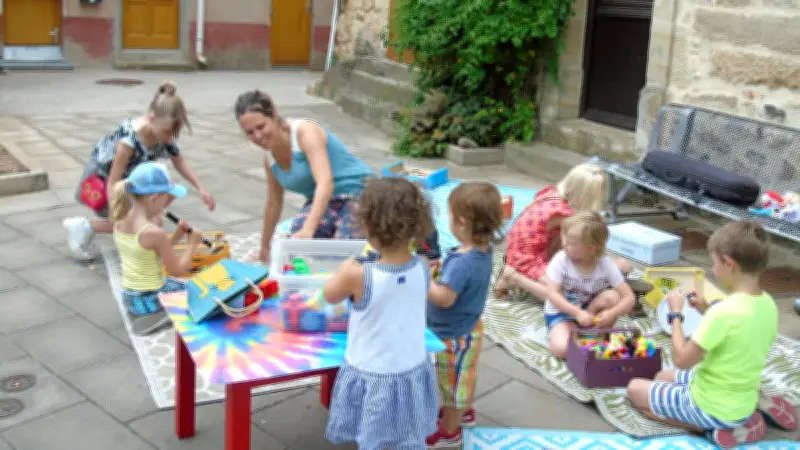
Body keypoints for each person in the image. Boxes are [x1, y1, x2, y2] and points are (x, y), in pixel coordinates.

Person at [627, 221, 797, 448]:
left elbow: (682, 360)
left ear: (729, 263)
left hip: (710, 405)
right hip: (741, 397)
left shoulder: (723, 312)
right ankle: (750, 410)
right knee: (660, 377)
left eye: (714, 263)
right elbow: (736, 329)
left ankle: (711, 429)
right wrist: (705, 309)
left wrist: (675, 315)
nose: (713, 270)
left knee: (634, 390)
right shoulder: (767, 303)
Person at [322, 177, 439, 450]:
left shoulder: (357, 273)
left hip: (374, 371)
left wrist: (345, 267)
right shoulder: (422, 266)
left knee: (373, 438)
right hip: (411, 367)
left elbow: (329, 295)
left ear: (368, 224)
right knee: (409, 435)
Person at [63, 82, 215, 261]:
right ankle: (85, 227)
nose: (168, 138)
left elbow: (179, 161)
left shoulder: (162, 133)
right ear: (151, 117)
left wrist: (201, 188)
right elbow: (113, 180)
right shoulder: (129, 141)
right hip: (104, 179)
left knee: (148, 215)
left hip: (133, 177)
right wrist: (117, 210)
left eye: (172, 133)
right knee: (133, 221)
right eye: (166, 132)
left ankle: (140, 234)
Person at [234, 90, 375, 262]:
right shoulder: (269, 159)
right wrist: (265, 246)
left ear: (274, 115)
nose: (257, 136)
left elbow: (325, 182)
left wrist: (310, 227)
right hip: (327, 201)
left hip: (359, 192)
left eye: (261, 127)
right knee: (298, 246)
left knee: (344, 253)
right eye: (250, 132)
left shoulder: (305, 132)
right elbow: (274, 202)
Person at [425, 182, 505, 448]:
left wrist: (425, 278)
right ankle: (464, 411)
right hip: (468, 327)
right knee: (463, 376)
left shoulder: (462, 262)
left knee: (452, 384)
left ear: (460, 222)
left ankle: (450, 430)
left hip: (454, 336)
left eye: (449, 216)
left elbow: (444, 299)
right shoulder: (481, 250)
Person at [494, 163, 630, 300]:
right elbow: (587, 247)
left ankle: (523, 275)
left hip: (519, 250)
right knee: (567, 297)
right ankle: (515, 278)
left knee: (565, 240)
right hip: (526, 259)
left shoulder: (552, 194)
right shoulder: (565, 215)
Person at [110, 162, 205, 336]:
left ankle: (151, 314)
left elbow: (147, 253)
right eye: (166, 198)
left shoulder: (119, 219)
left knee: (182, 286)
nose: (167, 203)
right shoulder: (153, 232)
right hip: (151, 296)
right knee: (199, 292)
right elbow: (176, 270)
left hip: (130, 296)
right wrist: (192, 244)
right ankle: (159, 316)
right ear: (153, 198)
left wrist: (176, 237)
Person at [544, 212, 635, 359]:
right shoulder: (561, 260)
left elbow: (629, 297)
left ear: (592, 249)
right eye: (564, 239)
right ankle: (588, 337)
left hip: (590, 310)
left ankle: (592, 333)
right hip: (563, 312)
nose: (564, 245)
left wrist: (612, 313)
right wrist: (577, 313)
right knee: (561, 349)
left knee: (613, 297)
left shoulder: (605, 264)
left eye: (571, 243)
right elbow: (553, 294)